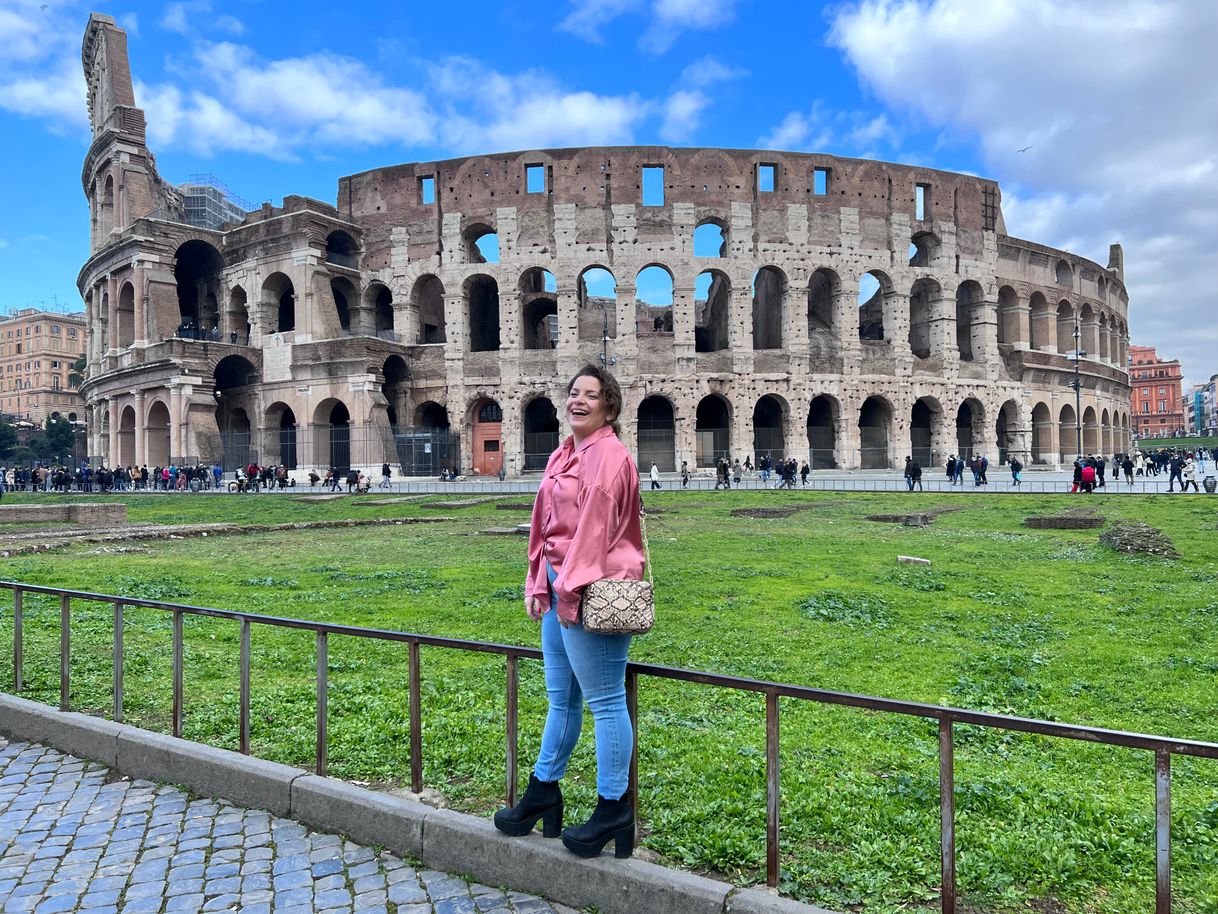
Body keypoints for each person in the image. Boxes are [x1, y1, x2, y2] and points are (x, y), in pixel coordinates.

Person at [495, 365, 644, 860]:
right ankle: (544, 790)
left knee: (604, 701)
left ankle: (613, 807)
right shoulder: (566, 451)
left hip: (594, 587)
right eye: (573, 393)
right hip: (561, 584)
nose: (578, 400)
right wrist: (539, 580)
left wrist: (570, 593)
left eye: (590, 395)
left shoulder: (608, 455)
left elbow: (596, 532)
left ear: (609, 406)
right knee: (561, 700)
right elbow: (545, 524)